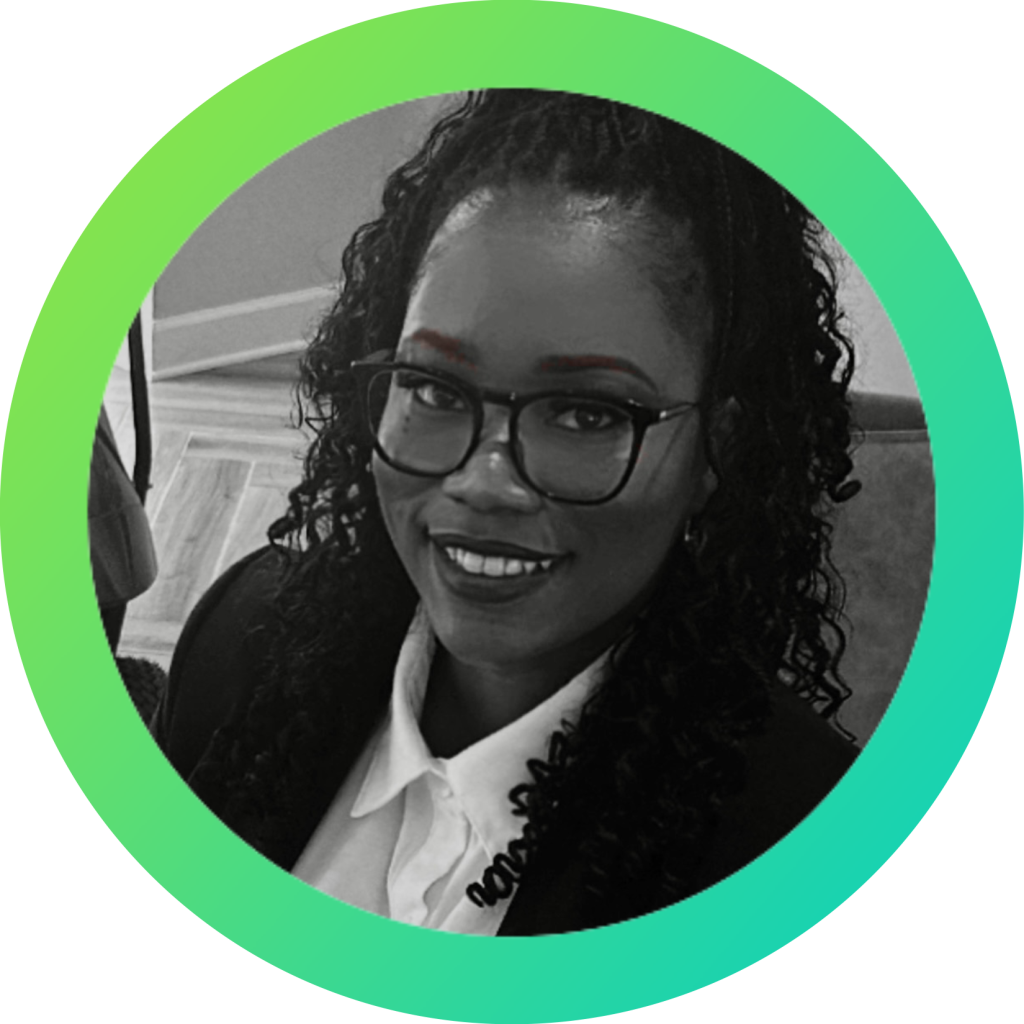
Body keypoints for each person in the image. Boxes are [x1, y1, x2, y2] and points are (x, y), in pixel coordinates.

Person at [152, 89, 861, 935]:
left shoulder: (808, 844)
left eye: (587, 413)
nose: (483, 481)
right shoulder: (241, 642)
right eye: (432, 387)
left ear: (719, 448)